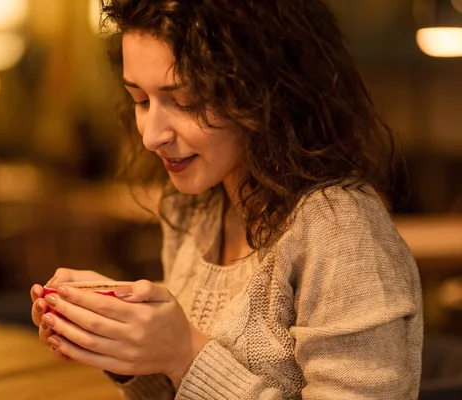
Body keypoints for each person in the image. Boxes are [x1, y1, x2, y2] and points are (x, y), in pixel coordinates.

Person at [30, 0, 423, 398]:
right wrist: (123, 344)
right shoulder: (196, 206)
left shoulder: (341, 232)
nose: (151, 136)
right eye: (140, 100)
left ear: (267, 90)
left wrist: (183, 354)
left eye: (184, 101)